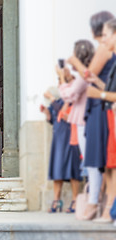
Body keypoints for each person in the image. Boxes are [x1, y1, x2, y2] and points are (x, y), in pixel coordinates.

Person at [68, 11, 116, 221]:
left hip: (100, 105)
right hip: (99, 103)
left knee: (100, 159)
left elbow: (88, 76)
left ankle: (99, 204)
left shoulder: (104, 49)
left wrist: (74, 62)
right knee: (103, 160)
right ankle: (104, 205)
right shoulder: (105, 48)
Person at [86, 18, 116, 223]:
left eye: (106, 35)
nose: (103, 40)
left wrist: (99, 95)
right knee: (109, 165)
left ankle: (107, 209)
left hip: (107, 111)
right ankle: (109, 210)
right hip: (109, 113)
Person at [41, 81, 82, 213]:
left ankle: (75, 201)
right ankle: (56, 201)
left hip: (71, 139)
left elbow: (64, 114)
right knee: (56, 170)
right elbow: (54, 119)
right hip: (58, 140)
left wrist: (51, 99)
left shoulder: (73, 100)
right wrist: (47, 112)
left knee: (73, 171)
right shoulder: (57, 102)